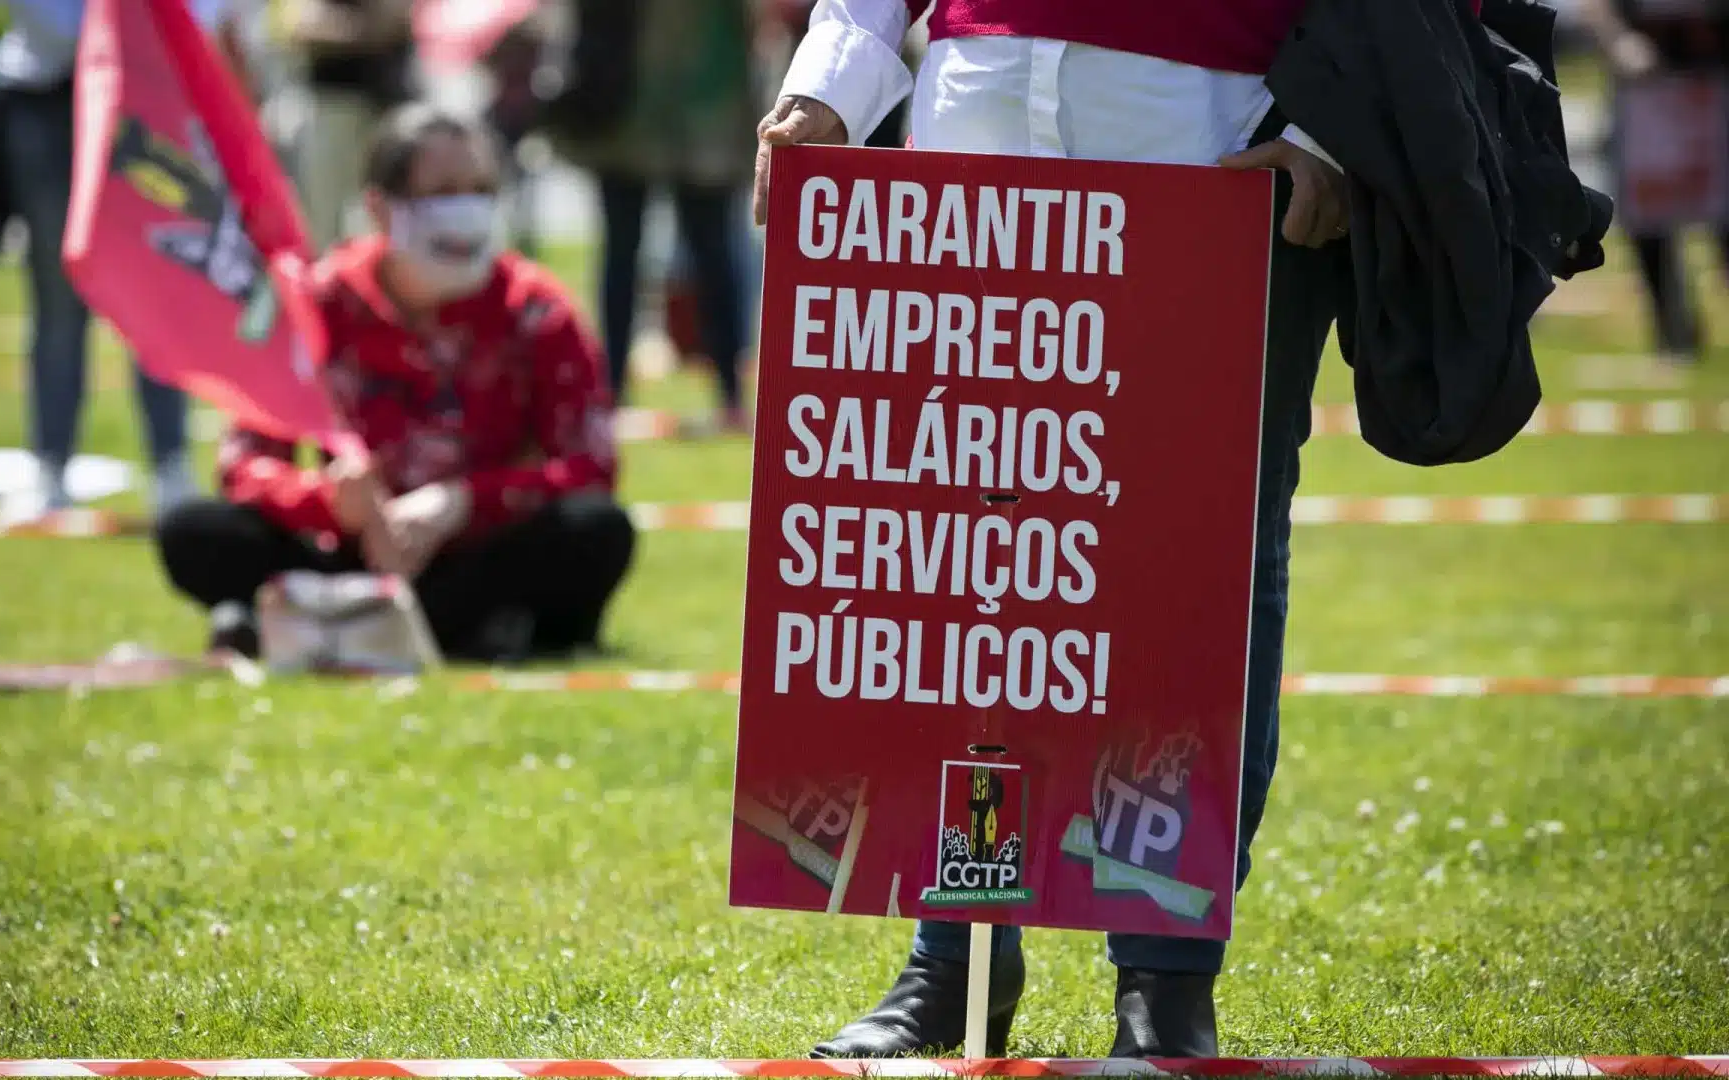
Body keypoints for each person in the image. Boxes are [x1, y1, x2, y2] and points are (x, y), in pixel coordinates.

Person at [753, 0, 1351, 1058]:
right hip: (977, 116)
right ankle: (956, 952)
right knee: (965, 572)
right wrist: (832, 81)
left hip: (1213, 135)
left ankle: (1165, 974)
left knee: (1193, 570)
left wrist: (1334, 129)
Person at [154, 105, 636, 664]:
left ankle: (318, 624)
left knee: (595, 529)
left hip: (480, 553)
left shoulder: (536, 308)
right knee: (193, 530)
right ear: (381, 208)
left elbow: (591, 466)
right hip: (352, 555)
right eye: (445, 191)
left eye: (481, 190)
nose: (468, 209)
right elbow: (243, 465)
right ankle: (399, 623)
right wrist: (330, 503)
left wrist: (463, 503)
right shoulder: (320, 302)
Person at [0, 0, 252, 522]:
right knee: (57, 299)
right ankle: (50, 467)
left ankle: (171, 467)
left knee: (157, 291)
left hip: (148, 103)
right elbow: (47, 25)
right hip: (51, 103)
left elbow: (204, 16)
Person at [549, 0, 757, 431]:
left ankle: (730, 394)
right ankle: (611, 392)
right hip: (628, 103)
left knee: (711, 254)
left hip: (704, 109)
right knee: (627, 253)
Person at [1583, 0, 1729, 366]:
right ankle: (1674, 333)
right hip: (1645, 93)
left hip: (1714, 86)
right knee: (1648, 213)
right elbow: (1597, 8)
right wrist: (1618, 40)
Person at [282, 0, 412, 248]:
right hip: (335, 103)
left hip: (387, 106)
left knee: (385, 208)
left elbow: (394, 18)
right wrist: (364, 29)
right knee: (324, 210)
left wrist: (354, 28)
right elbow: (303, 27)